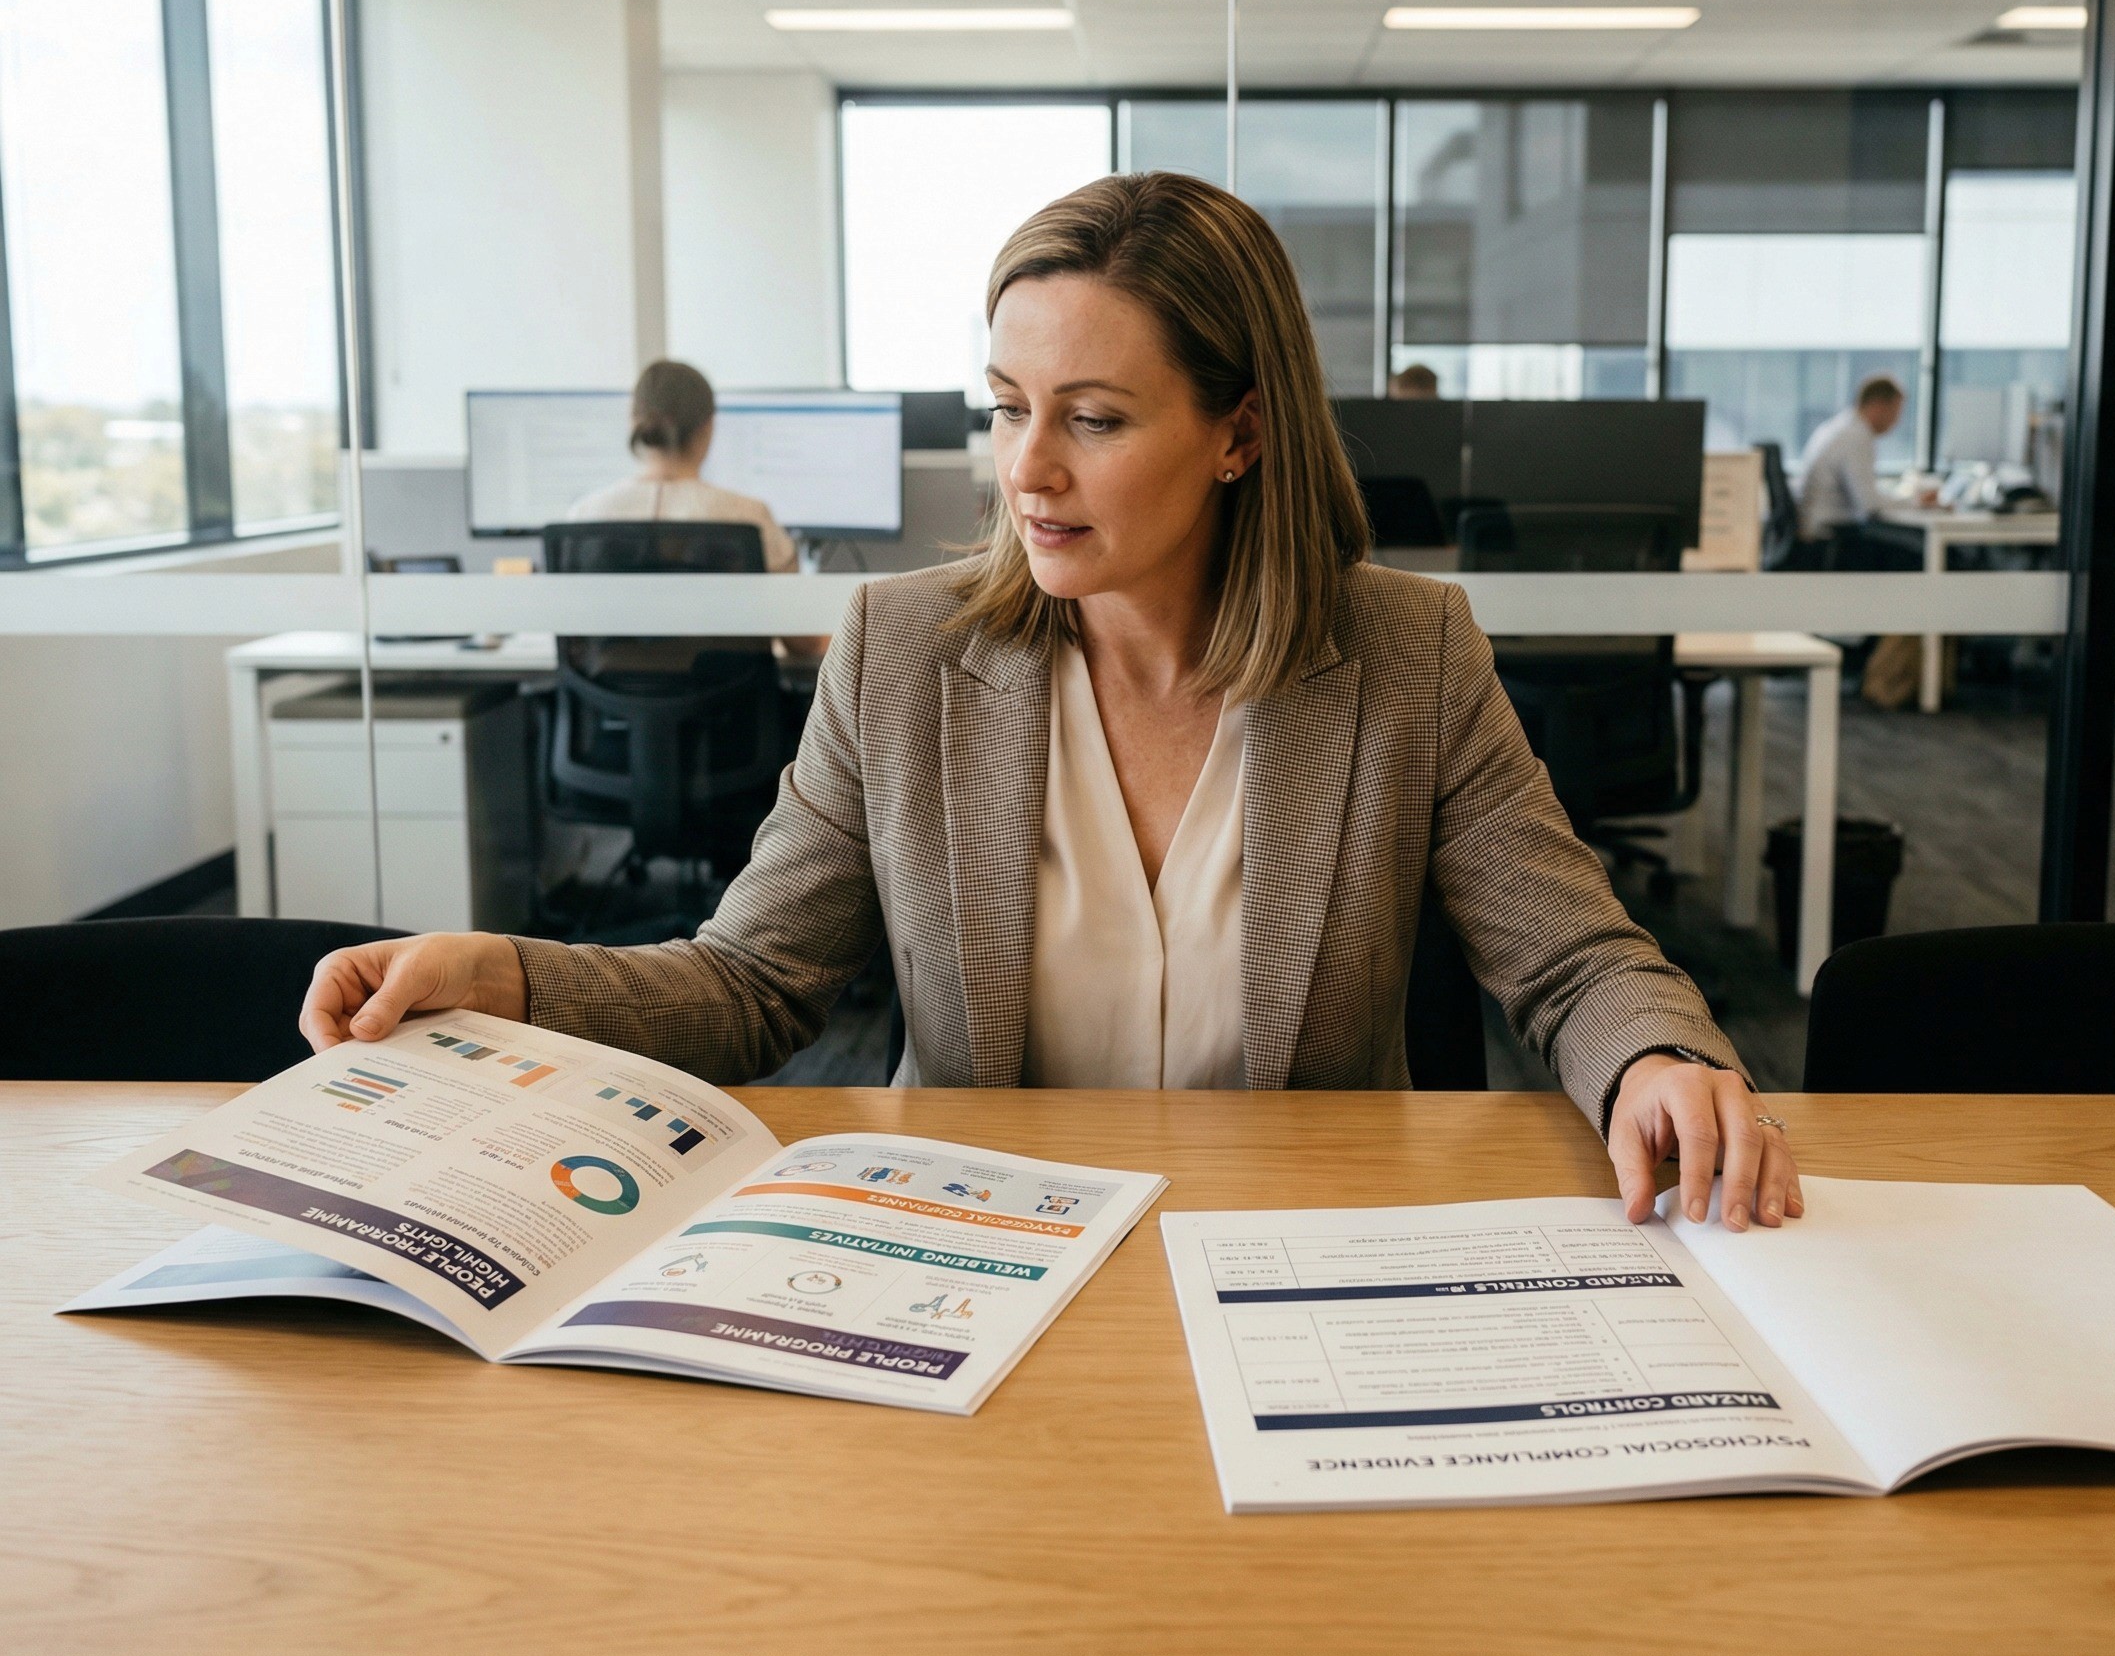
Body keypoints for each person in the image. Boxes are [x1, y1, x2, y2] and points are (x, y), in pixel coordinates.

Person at [304, 172, 1799, 1234]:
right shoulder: (901, 652)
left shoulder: (1405, 654)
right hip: (978, 1254)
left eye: (1092, 419)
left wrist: (1658, 1058)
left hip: (1302, 1252)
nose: (1028, 469)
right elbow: (754, 985)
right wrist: (510, 972)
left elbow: (1574, 959)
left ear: (1240, 435)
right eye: (1007, 406)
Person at [567, 358, 800, 574]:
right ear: (708, 428)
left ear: (634, 422)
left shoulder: (583, 516)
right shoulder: (750, 517)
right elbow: (788, 601)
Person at [1795, 373, 1905, 545]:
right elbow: (1870, 505)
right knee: (1922, 551)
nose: (1896, 422)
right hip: (1832, 535)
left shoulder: (1839, 426)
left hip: (1820, 527)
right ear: (1879, 406)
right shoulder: (1856, 436)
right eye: (1896, 412)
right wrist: (1916, 504)